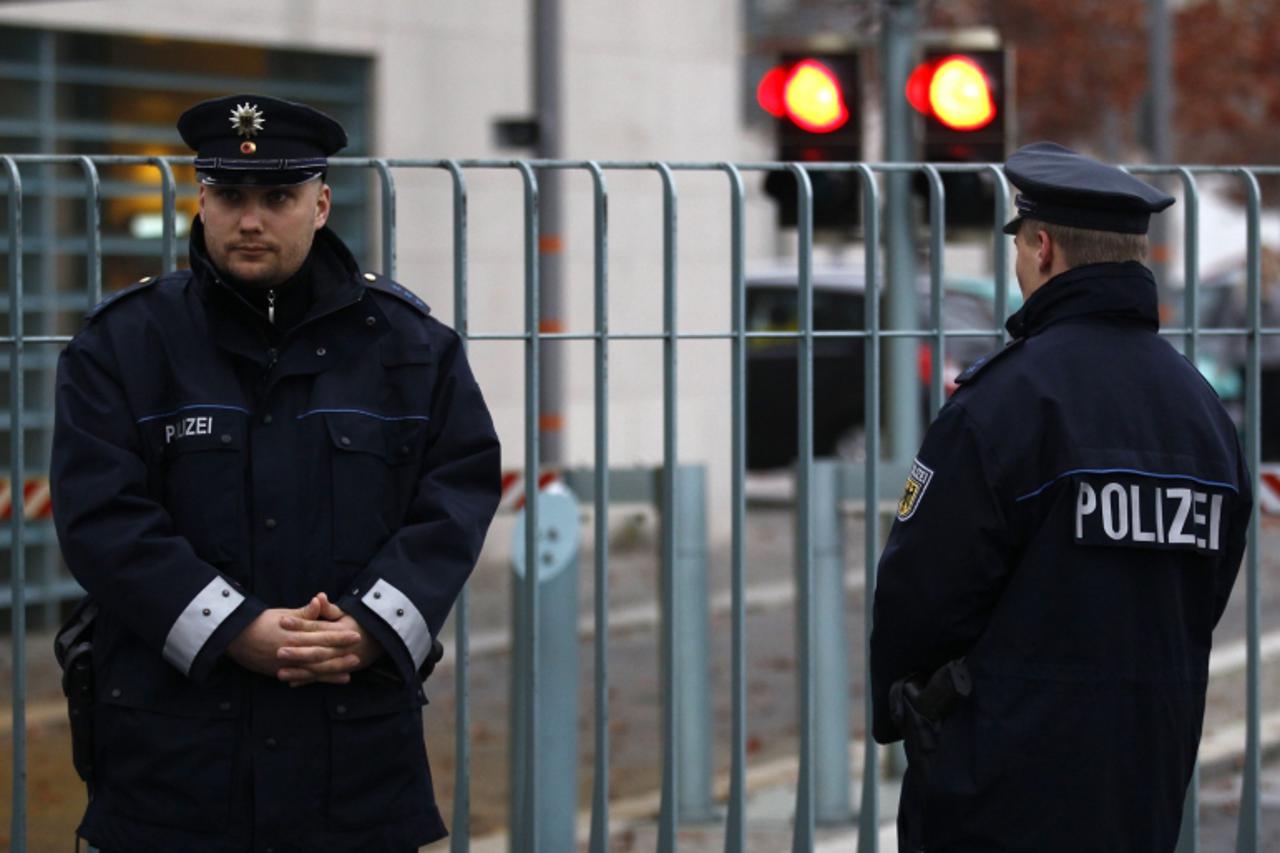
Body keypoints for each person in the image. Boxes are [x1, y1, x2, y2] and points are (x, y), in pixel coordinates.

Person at [50, 94, 501, 853]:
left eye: (278, 197)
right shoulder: (123, 346)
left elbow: (456, 492)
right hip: (173, 765)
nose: (249, 219)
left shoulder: (409, 348)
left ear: (320, 204)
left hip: (351, 758)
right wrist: (233, 630)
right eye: (229, 196)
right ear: (201, 198)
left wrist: (370, 626)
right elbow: (101, 516)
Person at [869, 142, 1253, 852]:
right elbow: (1210, 583)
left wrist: (909, 709)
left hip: (998, 787)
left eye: (1021, 247)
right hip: (1144, 778)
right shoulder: (1201, 411)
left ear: (1043, 248)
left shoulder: (1004, 403)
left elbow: (921, 593)